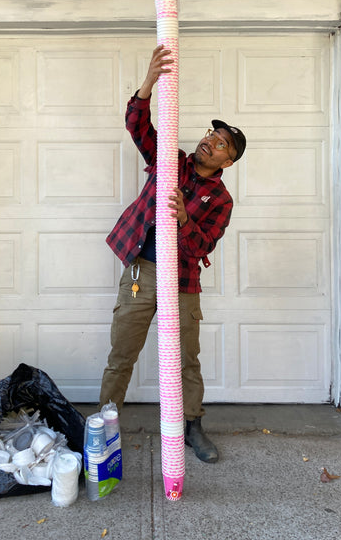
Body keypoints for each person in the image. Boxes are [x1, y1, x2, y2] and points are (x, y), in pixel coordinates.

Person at [99, 45, 246, 463]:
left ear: (228, 162)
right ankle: (106, 427)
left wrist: (184, 219)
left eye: (221, 145)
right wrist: (148, 83)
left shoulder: (221, 198)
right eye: (211, 135)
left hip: (182, 284)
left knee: (187, 362)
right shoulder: (171, 162)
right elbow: (137, 126)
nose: (210, 143)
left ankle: (191, 428)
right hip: (141, 273)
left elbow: (203, 247)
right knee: (121, 355)